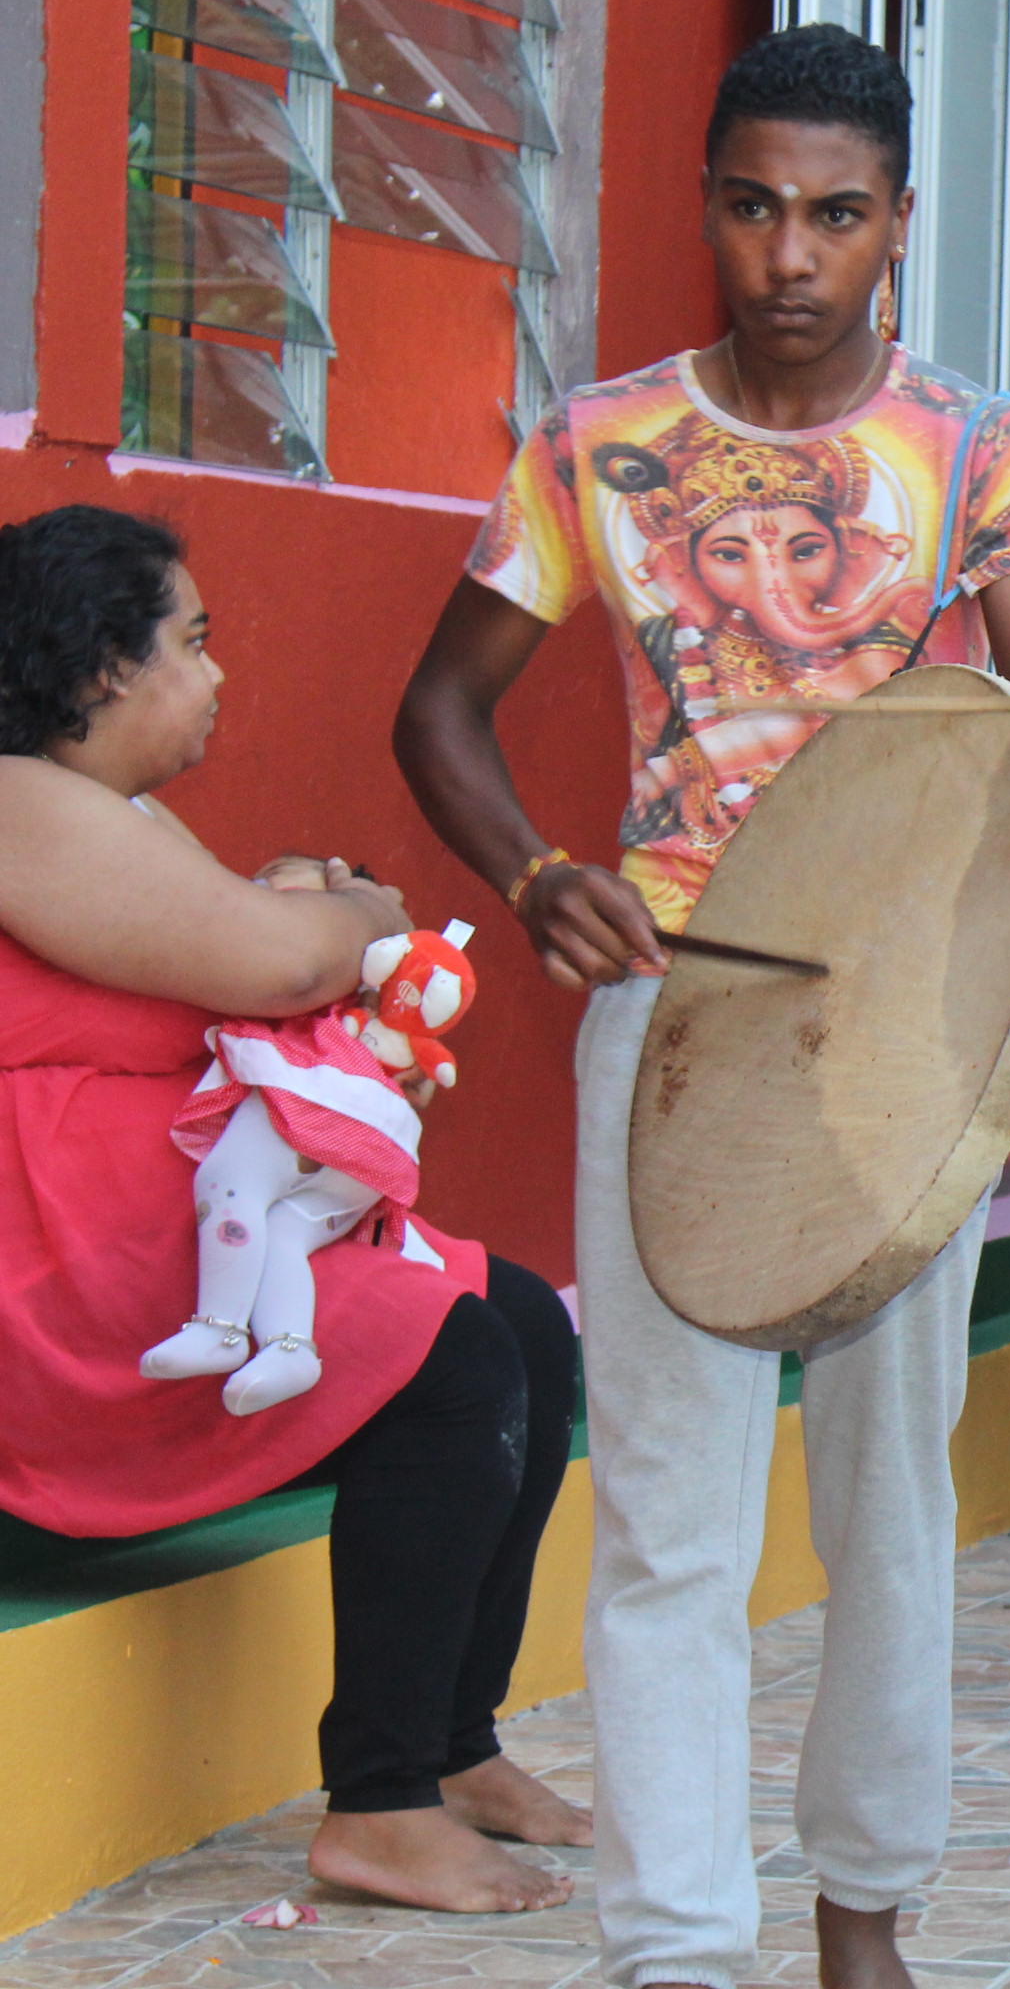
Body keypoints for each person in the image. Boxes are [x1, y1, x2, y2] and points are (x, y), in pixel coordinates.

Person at [394, 23, 1010, 1989]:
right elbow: (440, 711)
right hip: (679, 1019)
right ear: (705, 205)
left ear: (898, 222)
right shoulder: (601, 445)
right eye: (753, 207)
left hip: (914, 1033)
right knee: (669, 1516)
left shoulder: (992, 453)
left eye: (834, 215)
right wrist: (538, 875)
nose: (790, 254)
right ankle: (677, 1949)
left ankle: (864, 1914)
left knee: (893, 1503)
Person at [0, 507, 586, 1918]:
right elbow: (274, 967)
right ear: (98, 673)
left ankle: (451, 1748)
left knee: (522, 1328)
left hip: (161, 1219)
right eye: (191, 645)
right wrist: (366, 911)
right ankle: (378, 1802)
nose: (213, 677)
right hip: (65, 1261)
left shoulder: (106, 812)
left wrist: (321, 924)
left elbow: (238, 946)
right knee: (451, 1371)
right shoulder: (17, 797)